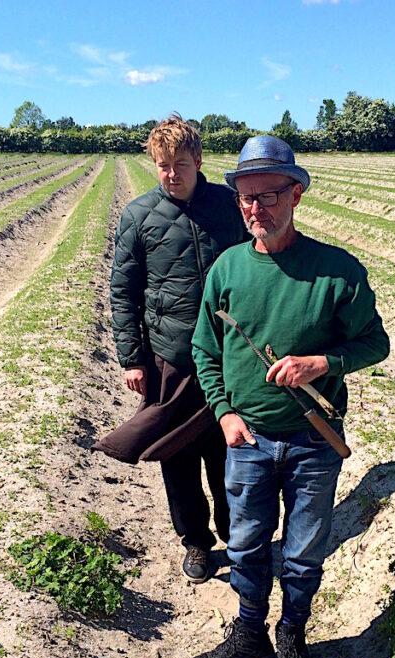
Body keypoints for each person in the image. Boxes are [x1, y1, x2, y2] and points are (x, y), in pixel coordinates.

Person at [188, 135, 390, 658]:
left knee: (302, 551)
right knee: (249, 545)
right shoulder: (228, 269)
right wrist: (225, 413)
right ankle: (250, 634)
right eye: (246, 199)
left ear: (295, 194)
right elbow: (205, 350)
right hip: (247, 440)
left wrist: (324, 362)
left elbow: (376, 343)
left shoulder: (337, 271)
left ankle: (293, 634)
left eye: (269, 196)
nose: (257, 209)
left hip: (313, 443)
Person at [93, 114, 249, 584]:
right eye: (162, 165)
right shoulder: (138, 216)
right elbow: (123, 293)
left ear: (199, 161)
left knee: (231, 450)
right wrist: (132, 357)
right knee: (177, 456)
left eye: (180, 164)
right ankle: (196, 543)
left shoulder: (228, 207)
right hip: (171, 358)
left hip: (228, 356)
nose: (171, 174)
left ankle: (237, 536)